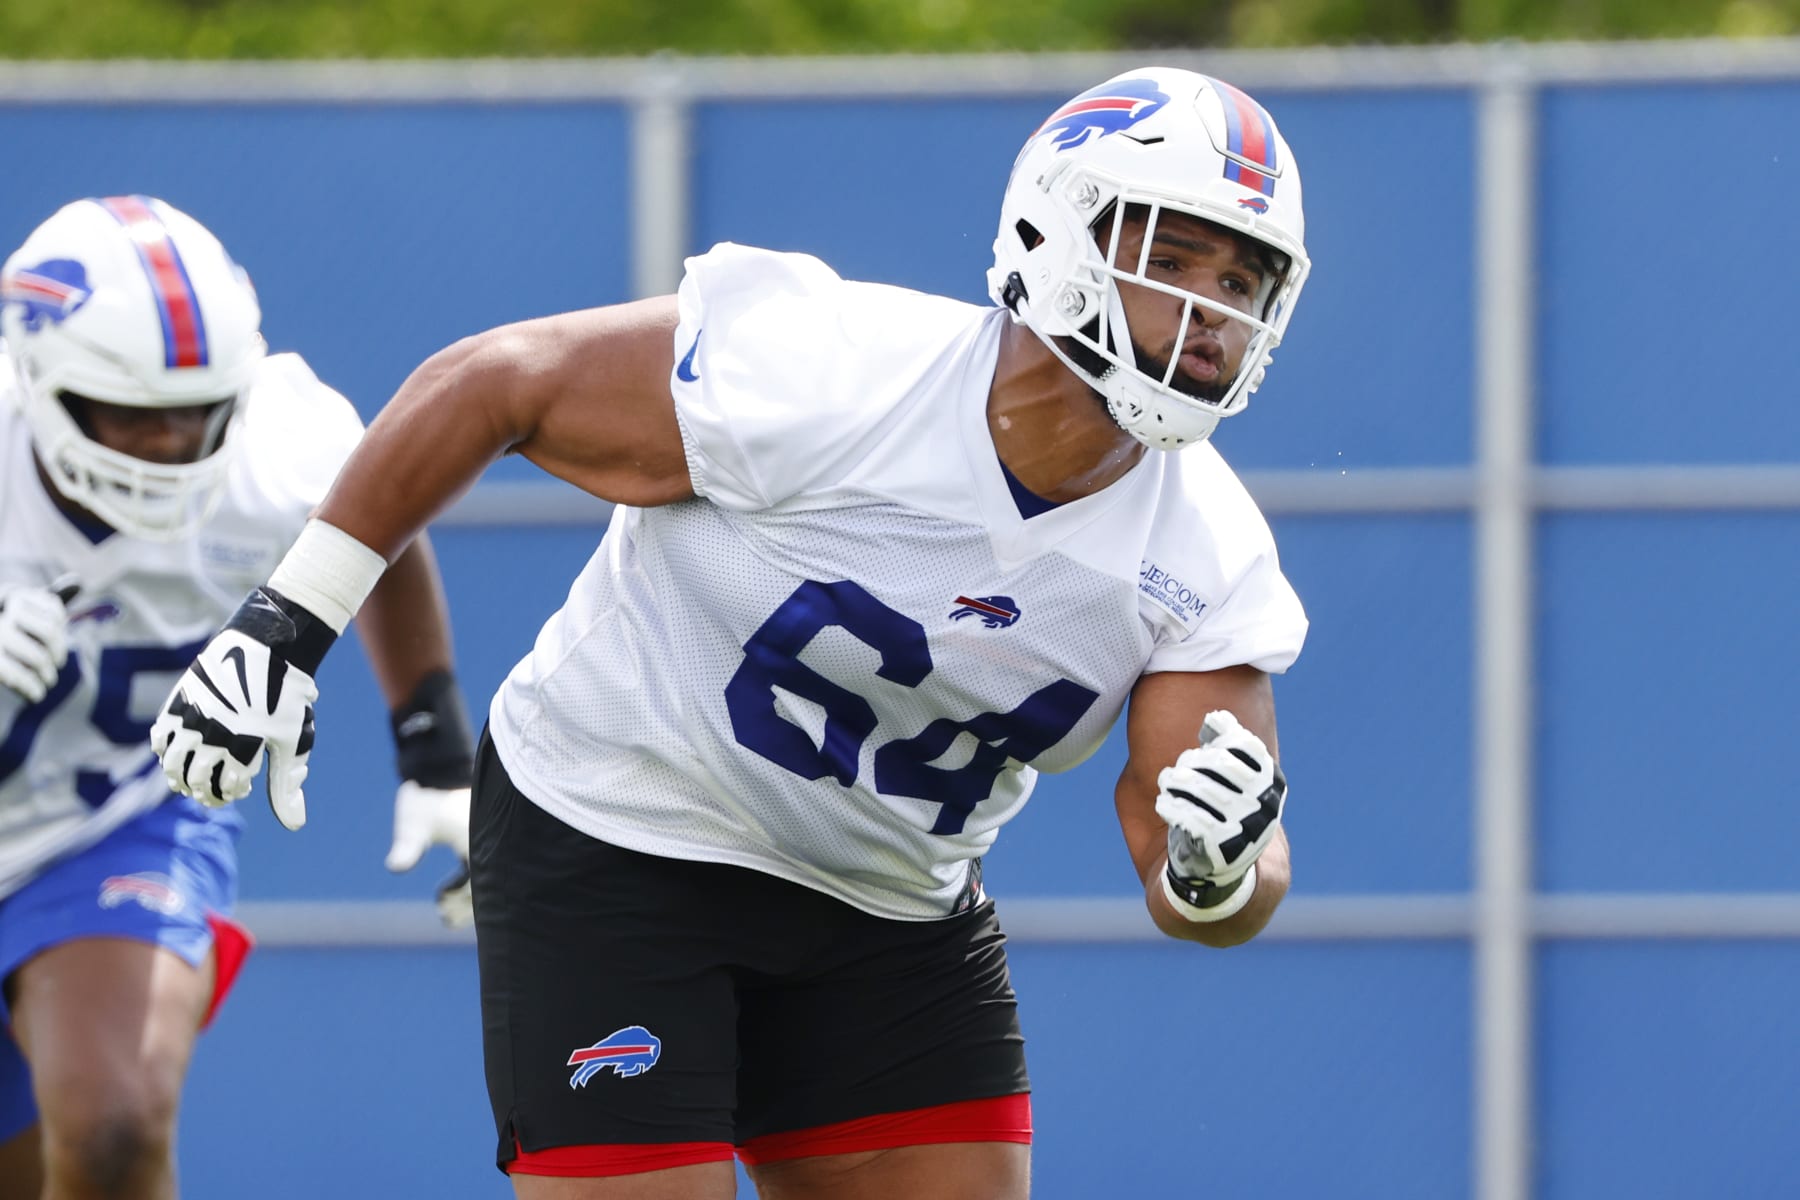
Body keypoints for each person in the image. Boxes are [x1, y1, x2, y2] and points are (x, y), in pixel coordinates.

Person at [151, 65, 1310, 1199]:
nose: (1213, 313)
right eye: (1170, 256)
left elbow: (1201, 859)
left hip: (888, 911)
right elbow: (490, 383)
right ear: (1057, 240)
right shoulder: (835, 373)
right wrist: (282, 623)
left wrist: (1216, 876)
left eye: (1245, 280)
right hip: (619, 839)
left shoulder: (1206, 554)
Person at [0, 195, 476, 1199]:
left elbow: (378, 530)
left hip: (110, 817)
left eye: (194, 412)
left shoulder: (280, 442)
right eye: (132, 412)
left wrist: (433, 749)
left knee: (114, 1129)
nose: (170, 441)